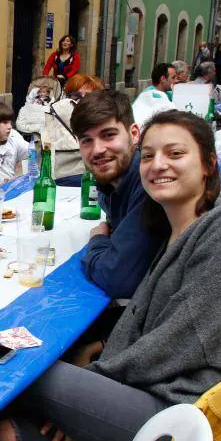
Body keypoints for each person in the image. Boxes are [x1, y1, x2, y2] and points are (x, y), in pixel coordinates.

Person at [0, 110, 221, 441]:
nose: (158, 165)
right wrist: (92, 383)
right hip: (147, 403)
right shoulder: (170, 232)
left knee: (22, 364)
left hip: (188, 424)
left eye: (175, 154)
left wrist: (91, 389)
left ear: (208, 164)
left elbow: (185, 340)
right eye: (148, 156)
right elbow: (158, 325)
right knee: (2, 437)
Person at [71, 90, 167, 299]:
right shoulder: (111, 180)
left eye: (108, 135)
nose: (97, 149)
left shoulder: (150, 184)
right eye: (86, 140)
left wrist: (97, 240)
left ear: (134, 134)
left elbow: (117, 278)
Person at [17, 74, 105, 185]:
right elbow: (23, 122)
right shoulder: (53, 111)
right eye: (76, 95)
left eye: (88, 97)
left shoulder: (102, 116)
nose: (80, 100)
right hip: (62, 175)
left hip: (92, 174)